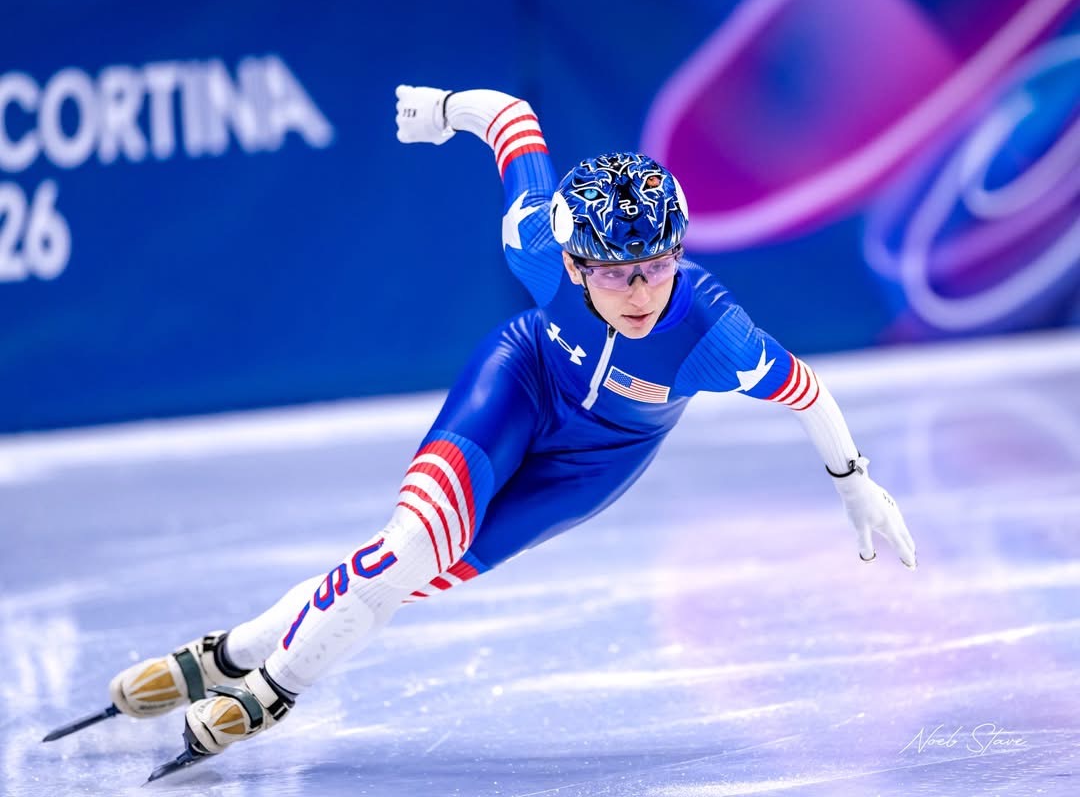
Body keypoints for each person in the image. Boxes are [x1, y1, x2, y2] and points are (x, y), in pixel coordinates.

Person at [49, 85, 916, 775]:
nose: (642, 292)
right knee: (409, 546)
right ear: (571, 262)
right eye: (615, 275)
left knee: (409, 574)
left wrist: (856, 484)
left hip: (596, 461)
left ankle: (230, 651)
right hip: (521, 380)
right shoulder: (534, 239)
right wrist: (441, 110)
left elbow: (809, 395)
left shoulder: (715, 336)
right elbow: (510, 118)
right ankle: (273, 688)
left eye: (658, 267)